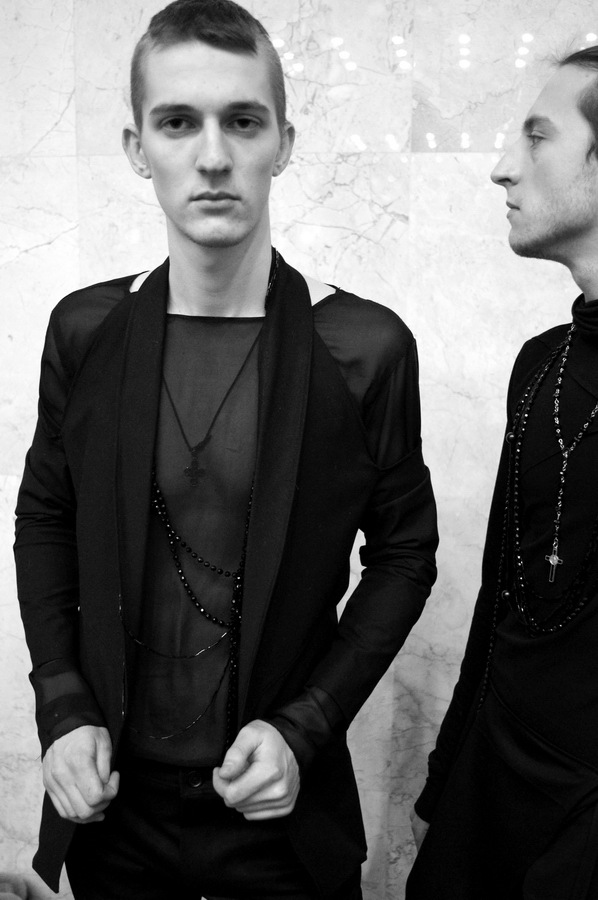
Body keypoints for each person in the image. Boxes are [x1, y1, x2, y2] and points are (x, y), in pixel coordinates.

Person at [14, 2, 438, 898]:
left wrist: (306, 725)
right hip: (114, 812)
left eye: (243, 121)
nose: (213, 156)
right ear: (138, 148)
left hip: (280, 816)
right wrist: (62, 706)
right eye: (178, 122)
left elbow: (406, 553)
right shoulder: (85, 332)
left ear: (283, 142)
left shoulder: (362, 348)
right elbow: (45, 516)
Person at [407, 46, 598, 900]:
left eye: (537, 137)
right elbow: (501, 594)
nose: (502, 168)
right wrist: (445, 777)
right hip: (491, 789)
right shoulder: (541, 364)